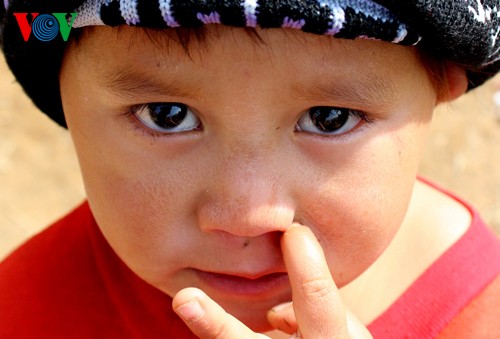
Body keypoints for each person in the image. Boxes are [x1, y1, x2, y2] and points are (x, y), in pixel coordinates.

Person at [1, 1, 499, 338]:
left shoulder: (482, 317)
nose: (246, 214)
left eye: (330, 118)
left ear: (445, 83)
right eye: (166, 115)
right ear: (60, 92)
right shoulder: (22, 310)